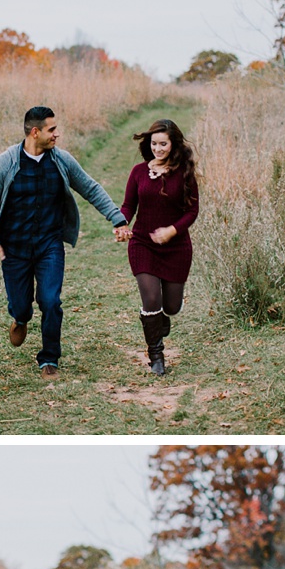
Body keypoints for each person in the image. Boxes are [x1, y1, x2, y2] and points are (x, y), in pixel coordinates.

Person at [0, 106, 130, 377]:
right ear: (35, 132)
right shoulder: (5, 163)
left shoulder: (61, 160)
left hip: (49, 244)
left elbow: (90, 188)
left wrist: (117, 219)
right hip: (14, 248)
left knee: (50, 300)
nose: (57, 134)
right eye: (52, 129)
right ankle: (21, 318)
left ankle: (49, 357)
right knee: (21, 304)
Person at [120, 119, 199, 376]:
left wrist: (172, 231)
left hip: (176, 247)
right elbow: (129, 206)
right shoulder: (138, 172)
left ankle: (161, 319)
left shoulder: (184, 172)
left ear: (173, 144)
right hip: (143, 243)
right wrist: (121, 224)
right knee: (151, 299)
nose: (158, 148)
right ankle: (156, 355)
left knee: (171, 307)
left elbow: (192, 210)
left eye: (163, 144)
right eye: (154, 144)